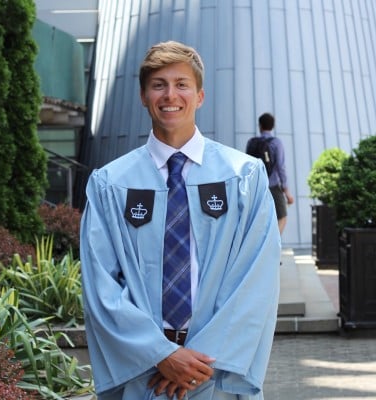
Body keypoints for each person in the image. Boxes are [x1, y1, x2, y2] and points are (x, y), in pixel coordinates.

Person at [80, 41, 280, 400]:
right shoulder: (110, 184)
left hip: (216, 373)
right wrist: (161, 355)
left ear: (200, 96)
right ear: (143, 96)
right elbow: (100, 285)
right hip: (144, 374)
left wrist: (200, 362)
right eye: (158, 85)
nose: (170, 95)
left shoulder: (244, 177)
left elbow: (257, 280)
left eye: (181, 84)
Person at [246, 113, 294, 234]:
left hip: (256, 187)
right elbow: (281, 167)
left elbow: (247, 166)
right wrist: (286, 191)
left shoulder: (251, 142)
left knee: (258, 220)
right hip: (273, 186)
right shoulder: (276, 143)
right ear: (272, 126)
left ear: (260, 126)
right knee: (282, 217)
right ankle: (272, 242)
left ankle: (261, 243)